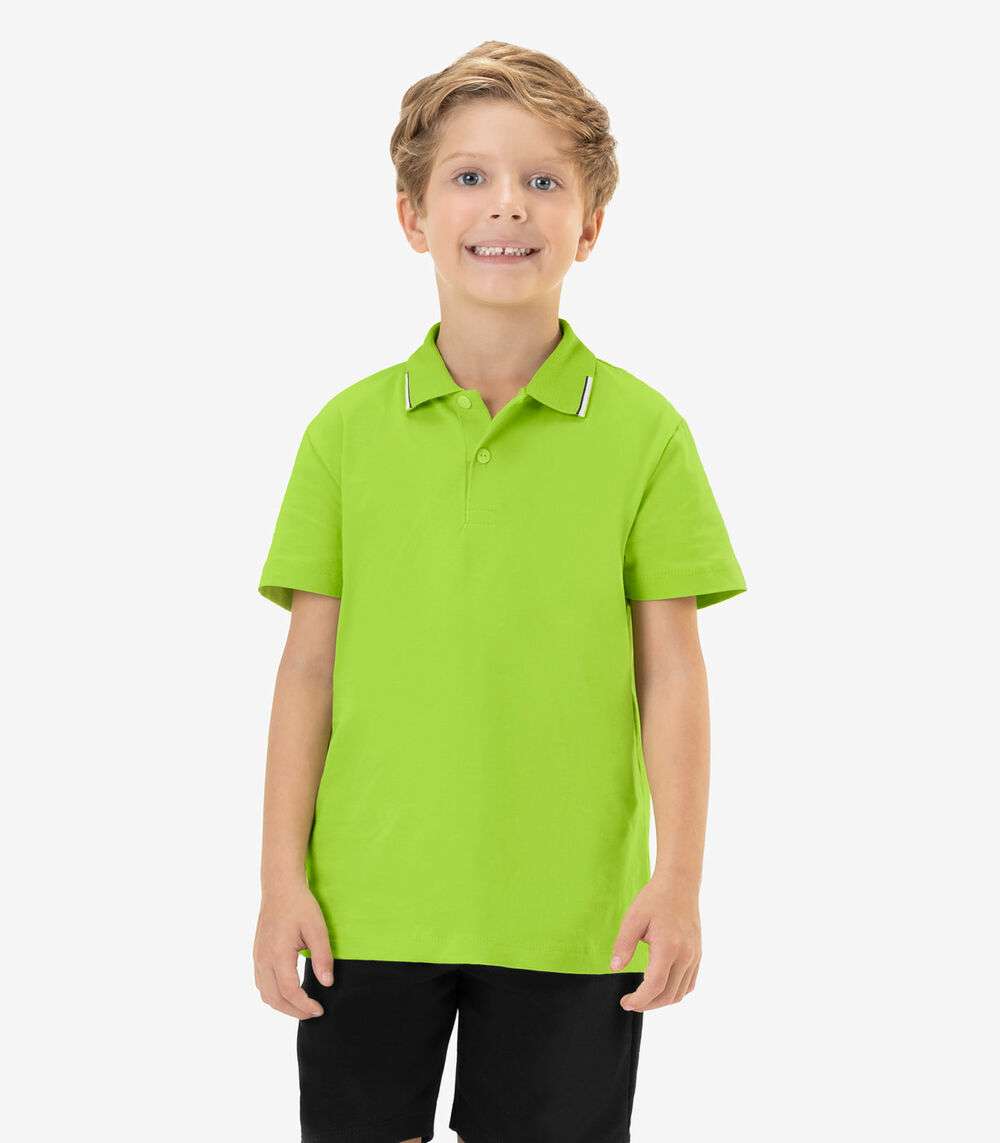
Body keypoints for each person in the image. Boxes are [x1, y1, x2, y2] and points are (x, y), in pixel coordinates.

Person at [253, 39, 747, 1143]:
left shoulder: (645, 435)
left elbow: (672, 672)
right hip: (365, 909)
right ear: (413, 216)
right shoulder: (344, 435)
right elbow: (308, 671)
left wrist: (679, 881)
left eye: (544, 180)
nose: (507, 206)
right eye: (470, 175)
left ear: (591, 223)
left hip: (574, 918)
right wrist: (281, 878)